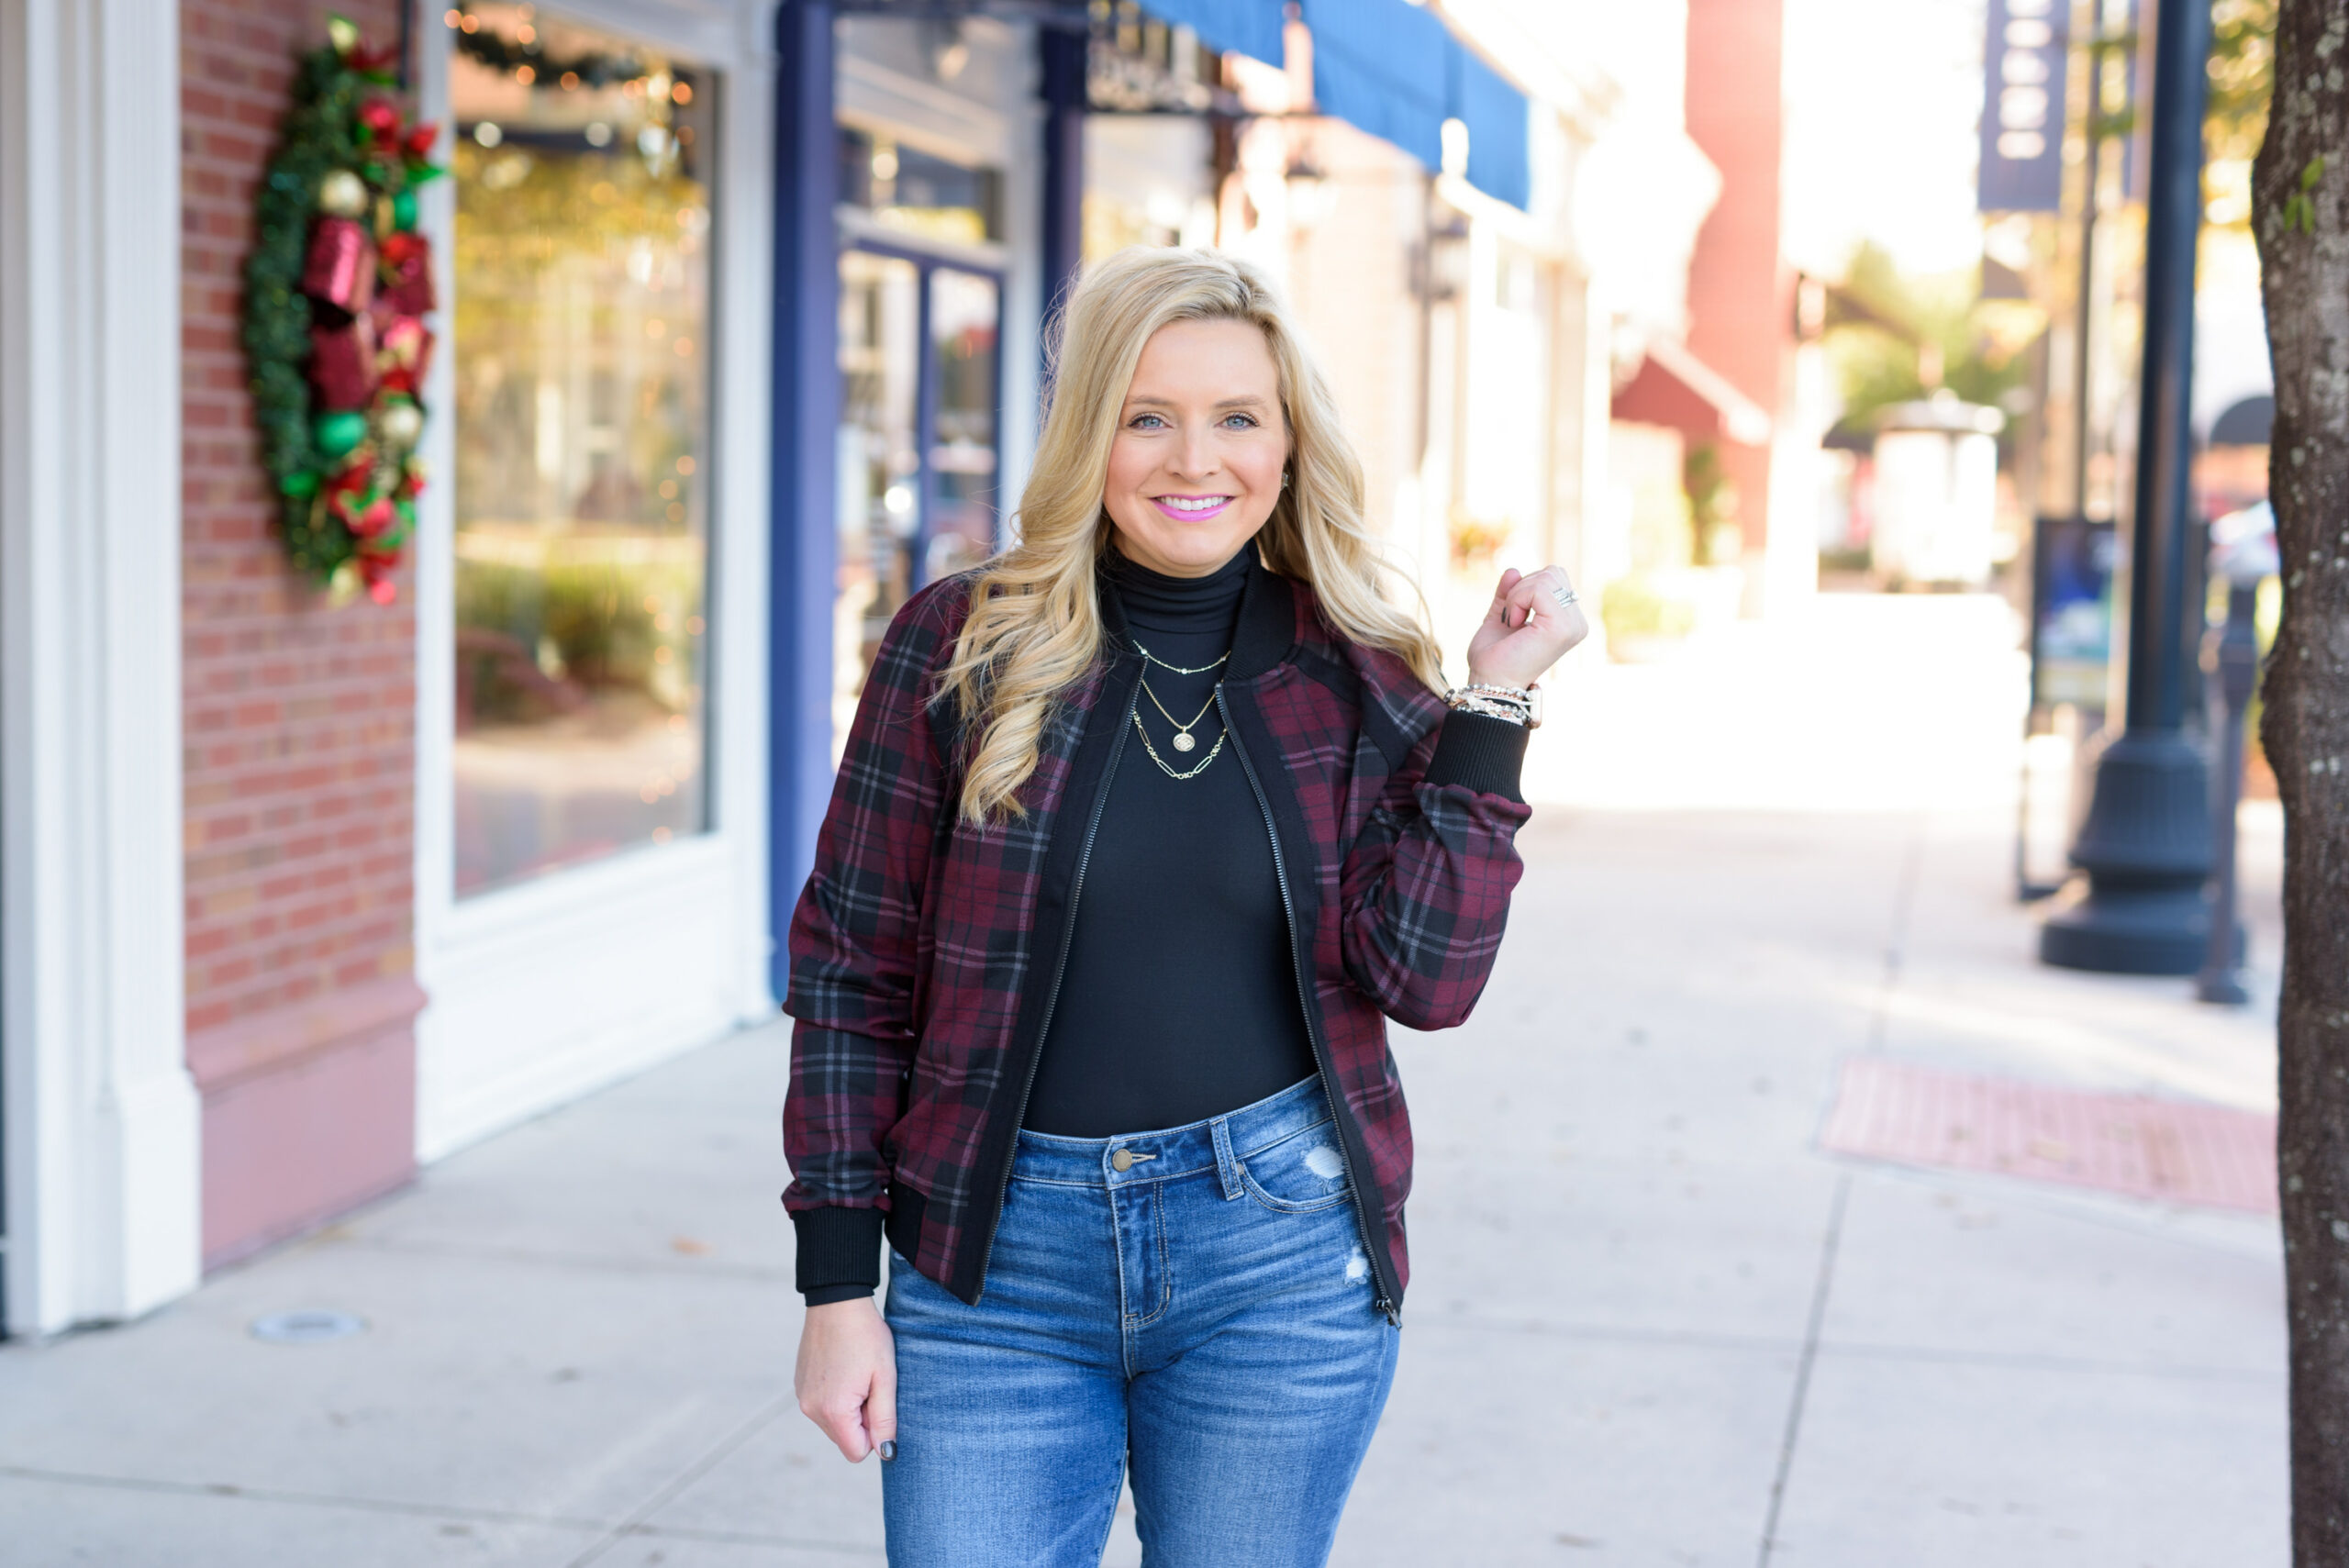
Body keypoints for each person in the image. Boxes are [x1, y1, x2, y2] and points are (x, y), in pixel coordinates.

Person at [783, 246, 1586, 1567]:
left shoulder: (1350, 664)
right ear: (1088, 431)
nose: (1189, 458)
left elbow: (1428, 979)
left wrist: (1493, 703)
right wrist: (835, 1285)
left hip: (1272, 1260)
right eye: (1145, 415)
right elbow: (849, 970)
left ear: (1285, 445)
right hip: (990, 1265)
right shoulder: (959, 646)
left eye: (1236, 417)